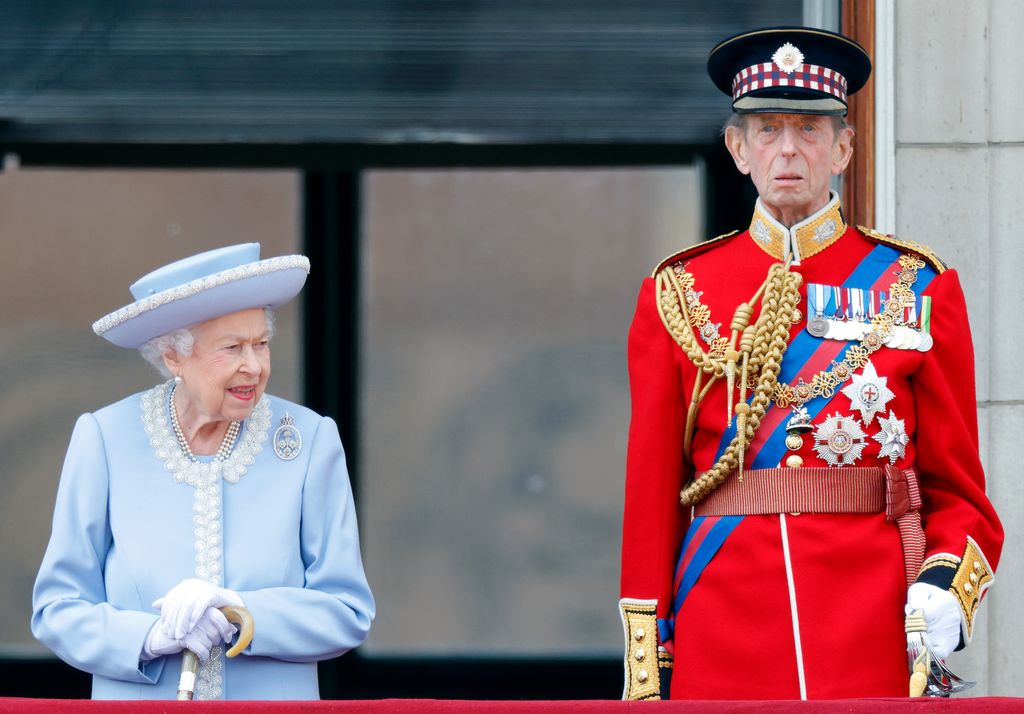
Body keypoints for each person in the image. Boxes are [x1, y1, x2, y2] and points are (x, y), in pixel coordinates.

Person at [619, 27, 1003, 700]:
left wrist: (946, 585)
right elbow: (652, 499)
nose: (789, 150)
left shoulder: (918, 287)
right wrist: (652, 665)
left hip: (870, 622)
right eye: (768, 130)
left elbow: (960, 493)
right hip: (723, 621)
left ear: (843, 149)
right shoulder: (678, 292)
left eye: (809, 129)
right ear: (738, 149)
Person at [32, 243, 375, 700]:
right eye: (231, 348)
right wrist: (148, 638)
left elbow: (347, 611)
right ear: (173, 357)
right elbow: (56, 608)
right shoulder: (105, 438)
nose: (253, 366)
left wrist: (242, 610)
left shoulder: (310, 440)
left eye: (261, 344)